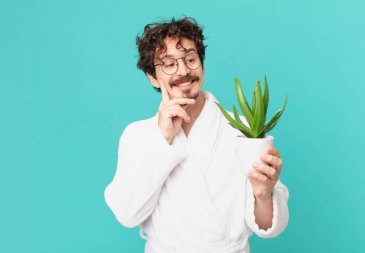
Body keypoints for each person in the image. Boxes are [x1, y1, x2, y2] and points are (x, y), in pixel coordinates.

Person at [104, 16, 289, 253]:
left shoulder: (244, 130)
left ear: (201, 64)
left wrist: (264, 195)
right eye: (169, 64)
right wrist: (163, 140)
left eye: (190, 60)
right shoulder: (139, 136)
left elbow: (269, 227)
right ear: (152, 77)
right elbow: (127, 214)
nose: (183, 71)